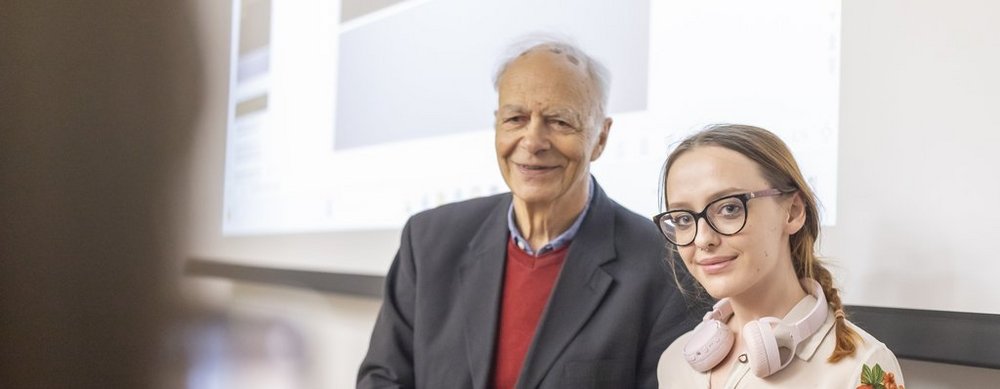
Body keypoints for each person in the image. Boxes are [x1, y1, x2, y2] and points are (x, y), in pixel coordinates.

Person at [357, 39, 696, 388]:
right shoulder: (427, 239)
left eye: (560, 121)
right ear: (497, 125)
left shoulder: (665, 265)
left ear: (600, 138)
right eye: (516, 118)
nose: (533, 141)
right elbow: (383, 378)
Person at [654, 124, 905, 388]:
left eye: (729, 208)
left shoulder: (861, 366)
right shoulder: (675, 363)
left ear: (793, 211)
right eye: (683, 219)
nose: (702, 239)